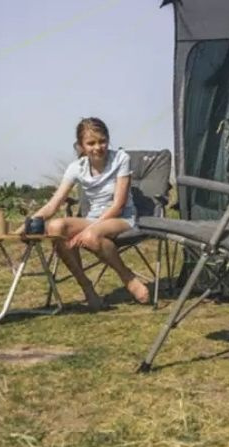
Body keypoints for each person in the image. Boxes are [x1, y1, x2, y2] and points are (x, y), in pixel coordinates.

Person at [23, 117, 149, 309]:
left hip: (121, 217)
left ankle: (127, 277)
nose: (98, 147)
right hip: (93, 218)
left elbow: (118, 205)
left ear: (108, 140)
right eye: (91, 143)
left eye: (102, 141)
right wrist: (23, 227)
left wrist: (87, 231)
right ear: (81, 146)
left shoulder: (121, 159)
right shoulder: (77, 168)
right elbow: (53, 205)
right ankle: (86, 286)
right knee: (55, 227)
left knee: (90, 237)